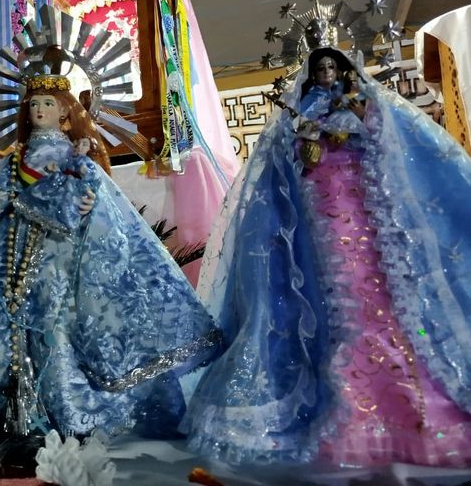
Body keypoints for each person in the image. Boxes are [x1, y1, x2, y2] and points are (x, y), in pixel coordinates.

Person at [182, 46, 471, 467]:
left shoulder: (357, 100)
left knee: (375, 284)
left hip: (360, 195)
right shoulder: (305, 106)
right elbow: (290, 156)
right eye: (320, 68)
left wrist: (348, 127)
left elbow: (378, 135)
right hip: (323, 199)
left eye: (332, 66)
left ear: (344, 69)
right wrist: (309, 138)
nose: (326, 73)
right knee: (342, 284)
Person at [0, 73, 222, 438]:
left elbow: (87, 206)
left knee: (55, 324)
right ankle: (12, 405)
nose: (39, 110)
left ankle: (64, 405)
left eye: (48, 104)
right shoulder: (15, 158)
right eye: (33, 104)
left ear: (65, 114)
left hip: (58, 258)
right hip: (11, 253)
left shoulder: (74, 158)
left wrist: (74, 206)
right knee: (7, 326)